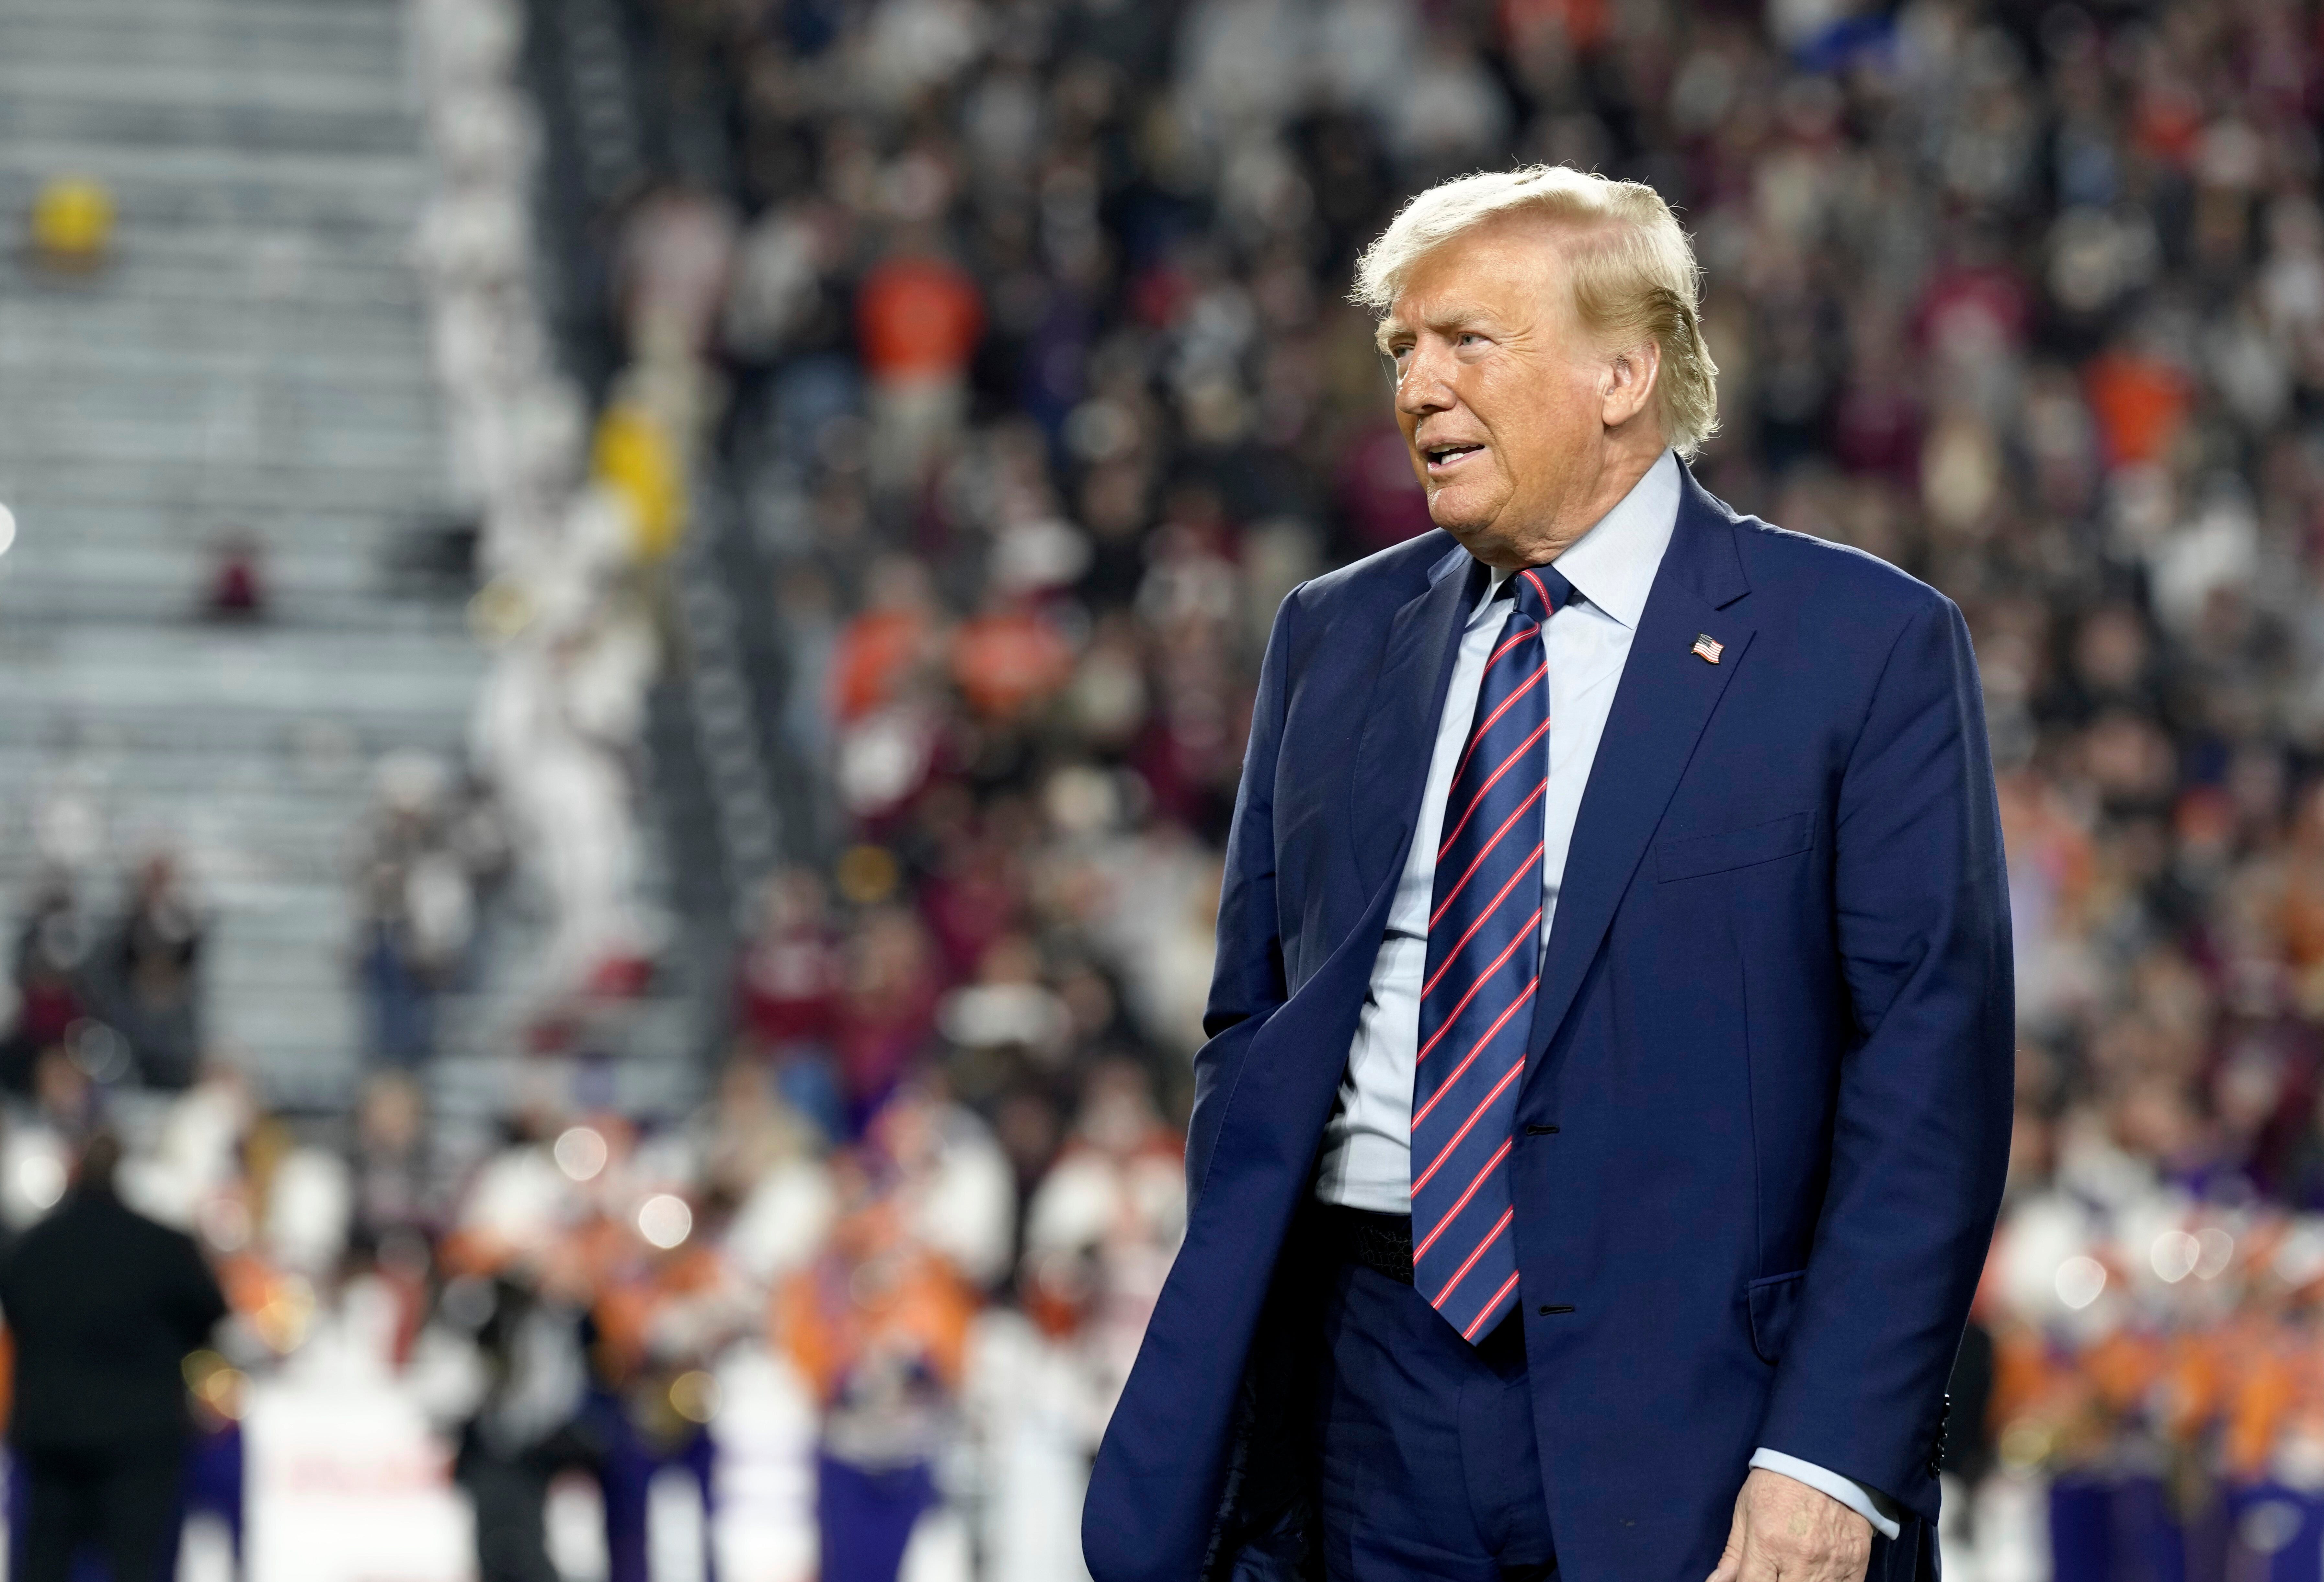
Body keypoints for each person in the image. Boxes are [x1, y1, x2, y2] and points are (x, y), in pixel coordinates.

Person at [1083, 166, 2015, 1582]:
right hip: (1363, 1391)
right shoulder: (1331, 637)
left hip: (1703, 1414)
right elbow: (1252, 1023)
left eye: (1469, 340)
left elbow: (1930, 1084)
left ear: (1623, 371)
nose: (1418, 387)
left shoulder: (1861, 647)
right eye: (1402, 348)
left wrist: (1829, 1456)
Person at [0, 1131, 229, 1581]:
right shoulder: (163, 1246)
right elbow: (210, 1316)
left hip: (52, 1434)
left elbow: (15, 1312)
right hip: (142, 1439)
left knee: (43, 1566)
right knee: (138, 1568)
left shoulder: (34, 1246)